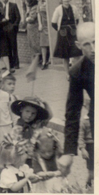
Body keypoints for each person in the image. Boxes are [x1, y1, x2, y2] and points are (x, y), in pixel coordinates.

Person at [58, 22, 94, 176]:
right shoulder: (77, 71)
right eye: (87, 44)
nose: (93, 49)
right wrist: (68, 152)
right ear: (79, 45)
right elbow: (72, 111)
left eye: (95, 42)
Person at [7, 96, 52, 167]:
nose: (29, 115)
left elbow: (49, 116)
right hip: (20, 158)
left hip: (34, 159)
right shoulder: (17, 128)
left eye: (33, 113)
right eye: (27, 111)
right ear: (21, 110)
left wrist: (45, 103)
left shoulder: (37, 124)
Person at [51, 0, 84, 79]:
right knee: (65, 56)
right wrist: (61, 30)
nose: (66, 0)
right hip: (63, 34)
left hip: (73, 33)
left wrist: (75, 28)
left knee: (76, 54)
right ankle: (68, 74)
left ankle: (75, 72)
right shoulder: (58, 9)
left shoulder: (74, 8)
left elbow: (77, 19)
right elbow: (53, 23)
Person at [31, 128, 63, 193]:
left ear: (54, 148)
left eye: (50, 151)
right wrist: (46, 174)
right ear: (37, 150)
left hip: (58, 182)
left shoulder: (56, 155)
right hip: (44, 185)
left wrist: (56, 173)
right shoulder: (37, 158)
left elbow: (64, 168)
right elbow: (37, 172)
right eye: (43, 152)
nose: (47, 154)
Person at [1, 0, 21, 70]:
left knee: (13, 46)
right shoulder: (0, 7)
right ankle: (9, 64)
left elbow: (18, 17)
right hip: (3, 28)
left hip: (11, 28)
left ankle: (16, 64)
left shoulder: (13, 5)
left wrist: (14, 26)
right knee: (6, 47)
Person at [78, 115, 94, 188]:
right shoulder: (85, 121)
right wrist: (82, 148)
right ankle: (88, 183)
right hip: (90, 147)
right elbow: (80, 136)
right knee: (92, 171)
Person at [37, 0, 50, 70]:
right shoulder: (39, 3)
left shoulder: (48, 1)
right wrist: (40, 24)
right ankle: (44, 62)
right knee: (43, 44)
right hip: (43, 24)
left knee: (50, 43)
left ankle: (50, 59)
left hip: (49, 24)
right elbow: (38, 14)